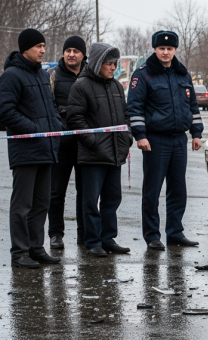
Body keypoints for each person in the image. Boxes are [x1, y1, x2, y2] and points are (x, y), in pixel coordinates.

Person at [127, 30, 203, 251]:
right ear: (155, 49)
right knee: (152, 190)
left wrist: (196, 133)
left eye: (170, 49)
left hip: (179, 140)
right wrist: (140, 136)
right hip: (155, 141)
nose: (166, 52)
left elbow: (193, 107)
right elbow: (135, 107)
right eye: (162, 48)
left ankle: (175, 233)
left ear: (175, 50)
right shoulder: (143, 74)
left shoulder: (182, 73)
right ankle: (152, 235)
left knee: (178, 190)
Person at [0, 29, 63, 268]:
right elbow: (5, 111)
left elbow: (51, 107)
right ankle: (20, 253)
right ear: (24, 48)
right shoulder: (12, 76)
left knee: (41, 203)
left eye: (44, 45)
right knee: (22, 205)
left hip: (46, 148)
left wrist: (56, 126)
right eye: (38, 46)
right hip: (26, 150)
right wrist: (33, 129)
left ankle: (36, 249)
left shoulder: (42, 75)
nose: (43, 50)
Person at [66, 43, 133, 257]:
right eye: (109, 63)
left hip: (115, 154)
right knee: (90, 200)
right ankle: (92, 241)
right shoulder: (81, 86)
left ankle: (108, 238)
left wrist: (127, 137)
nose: (114, 67)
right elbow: (75, 119)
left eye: (115, 63)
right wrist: (94, 142)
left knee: (112, 199)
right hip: (93, 155)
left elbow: (125, 116)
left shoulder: (115, 86)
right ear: (97, 64)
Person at [47, 36, 87, 250]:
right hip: (61, 143)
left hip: (85, 143)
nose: (71, 54)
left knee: (86, 192)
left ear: (83, 54)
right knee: (56, 192)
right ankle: (55, 234)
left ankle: (83, 234)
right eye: (68, 50)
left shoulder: (91, 75)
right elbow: (48, 106)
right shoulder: (52, 75)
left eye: (76, 51)